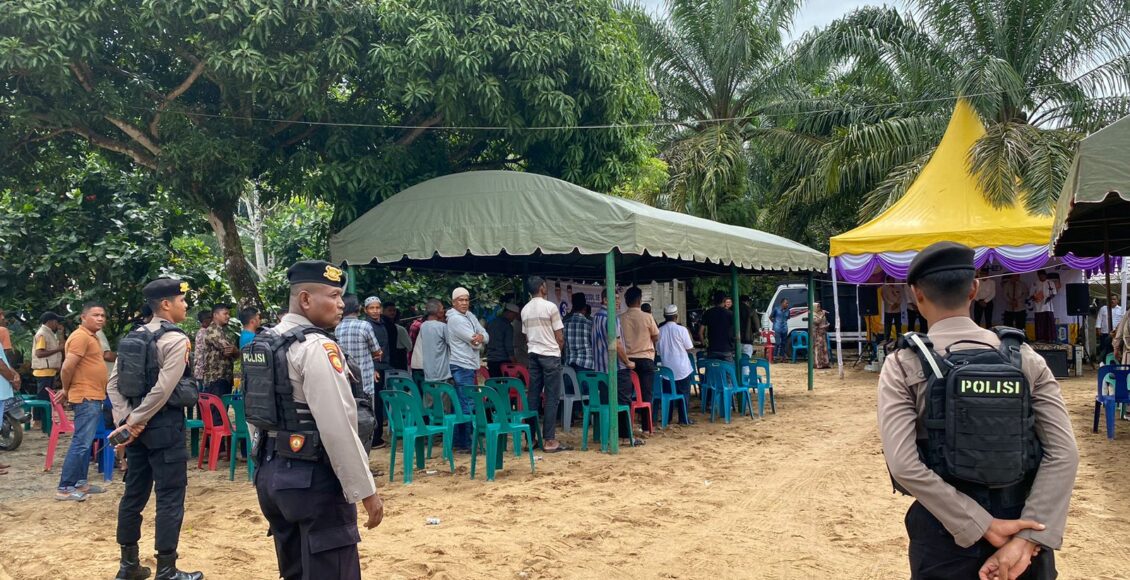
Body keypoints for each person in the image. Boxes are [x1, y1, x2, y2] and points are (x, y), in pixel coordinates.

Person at [878, 242, 1078, 580]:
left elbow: (904, 465)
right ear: (973, 289)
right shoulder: (1026, 358)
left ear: (915, 294)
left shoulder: (903, 364)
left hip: (943, 533)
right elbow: (1063, 453)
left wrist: (981, 524)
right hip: (1021, 523)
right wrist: (1026, 539)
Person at [248, 261, 383, 580]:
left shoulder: (264, 342)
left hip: (271, 475)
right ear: (306, 299)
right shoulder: (316, 347)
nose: (341, 304)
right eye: (333, 295)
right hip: (314, 481)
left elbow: (255, 415)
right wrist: (365, 490)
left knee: (294, 571)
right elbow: (338, 427)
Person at [107, 278, 203, 580]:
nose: (185, 305)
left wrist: (126, 421)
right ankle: (167, 569)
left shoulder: (133, 337)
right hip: (163, 427)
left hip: (135, 429)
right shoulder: (175, 340)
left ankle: (128, 565)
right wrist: (136, 421)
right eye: (181, 300)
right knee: (170, 496)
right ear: (165, 304)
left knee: (133, 494)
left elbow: (113, 384)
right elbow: (164, 389)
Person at [55, 302, 110, 501]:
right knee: (81, 443)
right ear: (83, 317)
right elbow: (67, 367)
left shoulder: (91, 337)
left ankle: (80, 483)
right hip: (86, 396)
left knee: (86, 443)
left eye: (102, 315)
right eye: (95, 315)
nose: (100, 318)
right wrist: (66, 388)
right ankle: (65, 488)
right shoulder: (80, 336)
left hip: (93, 395)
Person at [521, 276, 567, 453]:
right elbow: (559, 337)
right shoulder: (550, 307)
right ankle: (549, 440)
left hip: (533, 355)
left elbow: (527, 337)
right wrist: (557, 351)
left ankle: (530, 440)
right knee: (551, 398)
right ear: (541, 287)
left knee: (533, 397)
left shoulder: (525, 310)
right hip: (550, 355)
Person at [336, 295, 383, 452]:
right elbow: (377, 351)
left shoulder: (337, 328)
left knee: (349, 418)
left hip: (345, 381)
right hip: (365, 381)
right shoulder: (365, 326)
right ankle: (366, 451)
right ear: (359, 309)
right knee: (367, 418)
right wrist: (376, 354)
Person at [446, 287, 488, 452]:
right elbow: (475, 343)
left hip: (468, 365)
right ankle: (465, 443)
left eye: (466, 299)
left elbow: (485, 336)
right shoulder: (455, 320)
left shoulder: (469, 315)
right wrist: (480, 338)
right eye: (460, 300)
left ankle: (459, 441)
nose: (464, 303)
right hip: (461, 365)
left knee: (461, 403)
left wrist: (481, 337)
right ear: (453, 302)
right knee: (467, 404)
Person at [621, 287, 659, 426]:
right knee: (646, 394)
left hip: (627, 360)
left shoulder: (620, 318)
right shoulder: (647, 317)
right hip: (646, 359)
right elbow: (656, 336)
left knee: (626, 395)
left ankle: (626, 426)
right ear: (640, 300)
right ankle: (646, 426)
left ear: (626, 301)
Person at [656, 304, 695, 424]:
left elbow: (658, 350)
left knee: (668, 395)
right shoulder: (682, 330)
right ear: (676, 316)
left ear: (664, 316)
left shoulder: (659, 331)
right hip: (682, 369)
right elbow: (689, 348)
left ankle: (667, 418)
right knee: (684, 394)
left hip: (666, 370)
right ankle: (683, 419)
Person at [201, 304, 237, 403]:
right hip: (216, 379)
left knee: (222, 409)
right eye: (225, 314)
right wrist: (235, 351)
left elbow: (233, 352)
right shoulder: (213, 330)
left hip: (224, 378)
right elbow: (228, 350)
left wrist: (235, 351)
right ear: (215, 315)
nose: (228, 316)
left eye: (228, 314)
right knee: (217, 410)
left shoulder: (222, 331)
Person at [417, 299, 451, 385]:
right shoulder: (442, 327)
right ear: (437, 311)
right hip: (441, 372)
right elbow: (451, 343)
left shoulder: (423, 326)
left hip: (428, 371)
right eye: (442, 308)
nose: (443, 311)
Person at [32, 311, 65, 400]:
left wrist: (61, 333)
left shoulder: (49, 333)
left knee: (47, 398)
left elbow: (62, 346)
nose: (57, 324)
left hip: (49, 371)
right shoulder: (42, 334)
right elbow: (39, 353)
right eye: (56, 321)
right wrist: (58, 349)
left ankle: (42, 410)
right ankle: (38, 410)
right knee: (43, 398)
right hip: (44, 372)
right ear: (50, 321)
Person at [700, 291, 736, 361]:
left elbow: (700, 332)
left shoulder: (708, 313)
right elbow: (736, 332)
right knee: (729, 367)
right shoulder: (730, 314)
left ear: (714, 300)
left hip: (712, 349)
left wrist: (704, 345)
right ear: (724, 300)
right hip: (727, 349)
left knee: (713, 367)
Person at [563, 293, 595, 373]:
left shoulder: (564, 324)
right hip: (587, 365)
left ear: (573, 307)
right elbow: (594, 345)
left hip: (569, 366)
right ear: (585, 307)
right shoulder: (590, 324)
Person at [486, 303, 519, 377]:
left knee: (494, 382)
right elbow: (508, 346)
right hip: (503, 361)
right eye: (514, 315)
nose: (514, 318)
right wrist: (514, 361)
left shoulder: (491, 323)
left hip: (491, 360)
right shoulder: (508, 326)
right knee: (506, 383)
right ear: (509, 312)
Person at [1032, 270, 1058, 342]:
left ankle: (1051, 338)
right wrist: (1035, 297)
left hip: (1048, 306)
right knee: (1040, 323)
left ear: (1045, 275)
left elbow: (1054, 293)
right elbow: (1031, 294)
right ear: (1038, 276)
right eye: (1040, 276)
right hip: (1039, 306)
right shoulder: (1035, 283)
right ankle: (1040, 338)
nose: (1042, 277)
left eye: (1043, 275)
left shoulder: (1050, 283)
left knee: (1049, 323)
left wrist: (1049, 298)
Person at [382, 301, 409, 370]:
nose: (392, 312)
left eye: (394, 310)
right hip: (389, 357)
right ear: (383, 311)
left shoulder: (393, 326)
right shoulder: (382, 325)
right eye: (389, 310)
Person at [1097, 297, 1123, 363]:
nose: (1112, 300)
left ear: (1117, 301)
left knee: (1116, 349)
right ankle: (1103, 363)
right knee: (1104, 348)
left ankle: (1115, 363)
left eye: (1114, 299)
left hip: (1116, 334)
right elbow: (1099, 318)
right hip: (1105, 332)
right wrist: (1098, 328)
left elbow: (1123, 321)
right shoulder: (1103, 308)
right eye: (1111, 299)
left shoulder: (1121, 309)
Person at [192, 310, 211, 388]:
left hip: (200, 370)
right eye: (210, 318)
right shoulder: (205, 333)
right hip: (203, 371)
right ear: (205, 321)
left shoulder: (201, 332)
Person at [592, 294, 611, 374]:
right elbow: (617, 343)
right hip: (611, 365)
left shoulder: (595, 316)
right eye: (616, 298)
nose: (618, 301)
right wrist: (627, 361)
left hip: (598, 365)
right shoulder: (610, 317)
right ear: (605, 300)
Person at [881, 277, 904, 341]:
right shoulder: (884, 288)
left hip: (897, 310)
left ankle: (899, 342)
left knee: (898, 327)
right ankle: (886, 341)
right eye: (891, 280)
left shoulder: (898, 287)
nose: (893, 281)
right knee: (887, 327)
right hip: (889, 310)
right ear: (887, 281)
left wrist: (897, 304)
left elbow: (901, 297)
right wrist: (892, 304)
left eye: (893, 280)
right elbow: (885, 298)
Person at [811, 302, 831, 369]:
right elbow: (817, 322)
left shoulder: (821, 314)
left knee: (824, 349)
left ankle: (825, 364)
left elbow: (825, 322)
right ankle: (818, 364)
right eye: (818, 307)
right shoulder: (812, 315)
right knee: (818, 349)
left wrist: (827, 325)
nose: (819, 308)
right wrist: (822, 315)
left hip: (822, 334)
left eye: (819, 306)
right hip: (816, 335)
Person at [769, 299, 789, 363]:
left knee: (783, 343)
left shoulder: (788, 310)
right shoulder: (776, 309)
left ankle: (782, 357)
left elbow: (787, 318)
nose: (787, 304)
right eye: (786, 303)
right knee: (777, 343)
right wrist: (775, 323)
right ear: (782, 303)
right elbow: (770, 317)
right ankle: (774, 357)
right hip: (777, 328)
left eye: (787, 303)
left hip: (784, 329)